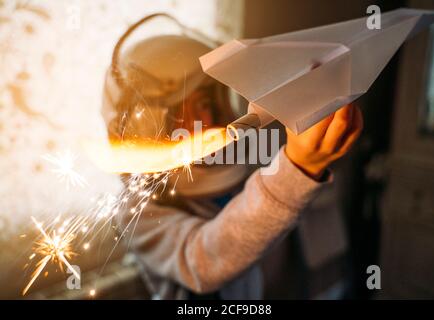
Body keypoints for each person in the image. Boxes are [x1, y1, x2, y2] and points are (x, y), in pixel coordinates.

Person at [102, 34, 363, 299]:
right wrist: (298, 169)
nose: (202, 120)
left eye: (204, 103)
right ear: (141, 127)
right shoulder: (140, 210)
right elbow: (204, 262)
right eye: (178, 112)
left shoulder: (249, 161)